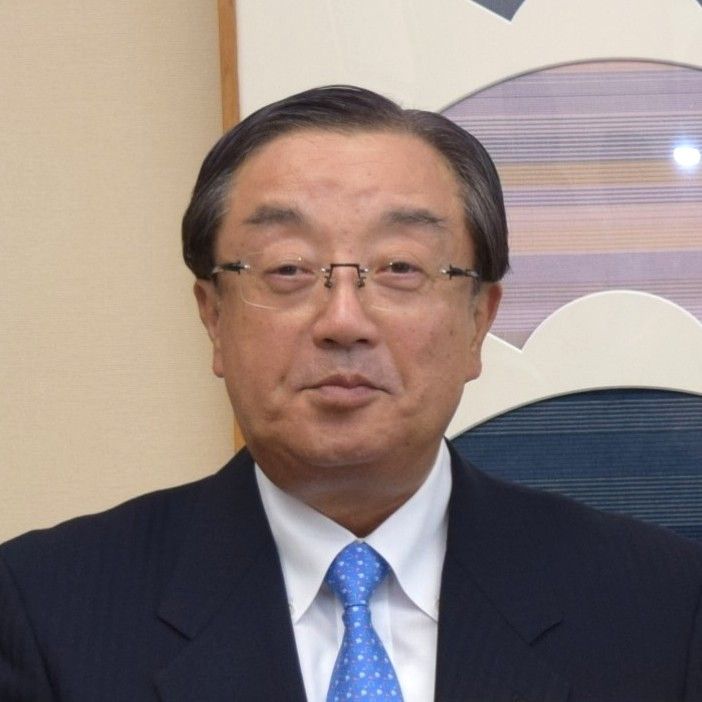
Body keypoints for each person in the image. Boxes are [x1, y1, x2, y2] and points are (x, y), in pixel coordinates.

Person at [0, 85, 700, 702]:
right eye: (288, 268)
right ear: (213, 316)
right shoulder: (46, 609)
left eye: (399, 267)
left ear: (477, 321)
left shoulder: (660, 607)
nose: (342, 320)